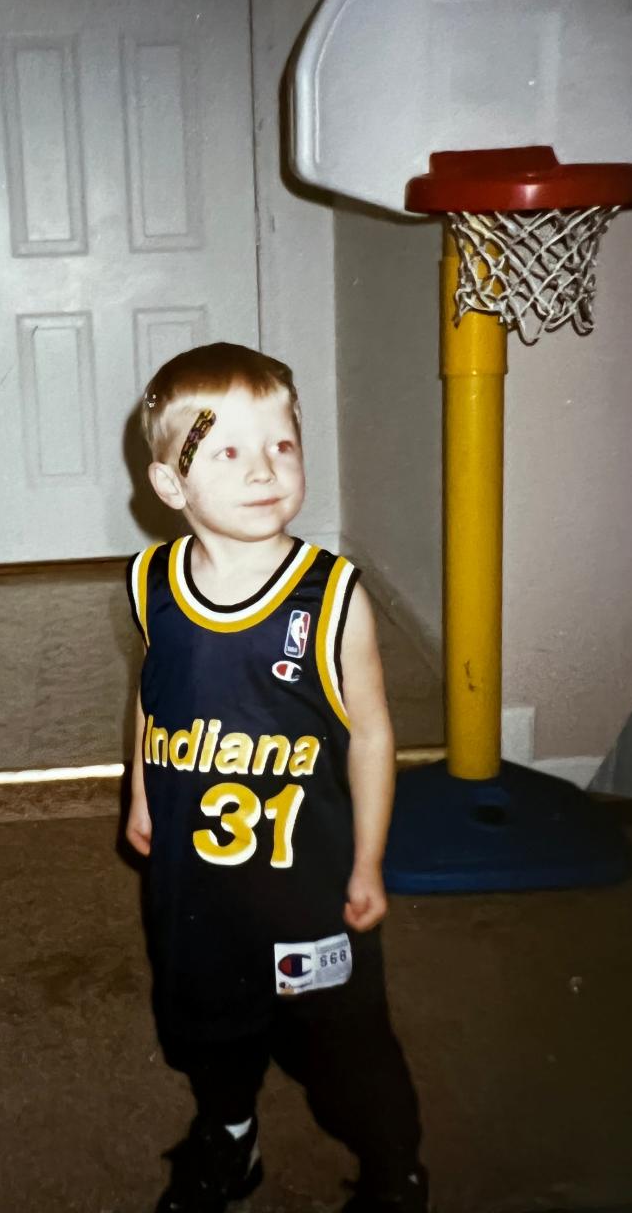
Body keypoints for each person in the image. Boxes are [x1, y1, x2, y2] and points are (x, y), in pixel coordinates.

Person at [125, 343, 428, 1213]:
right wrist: (141, 789)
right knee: (207, 1032)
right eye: (227, 450)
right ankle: (230, 1139)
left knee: (344, 1049)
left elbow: (371, 734)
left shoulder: (330, 597)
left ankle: (394, 1166)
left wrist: (368, 862)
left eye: (283, 445)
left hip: (306, 893)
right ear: (171, 485)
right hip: (195, 887)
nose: (265, 468)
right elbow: (151, 695)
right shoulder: (151, 584)